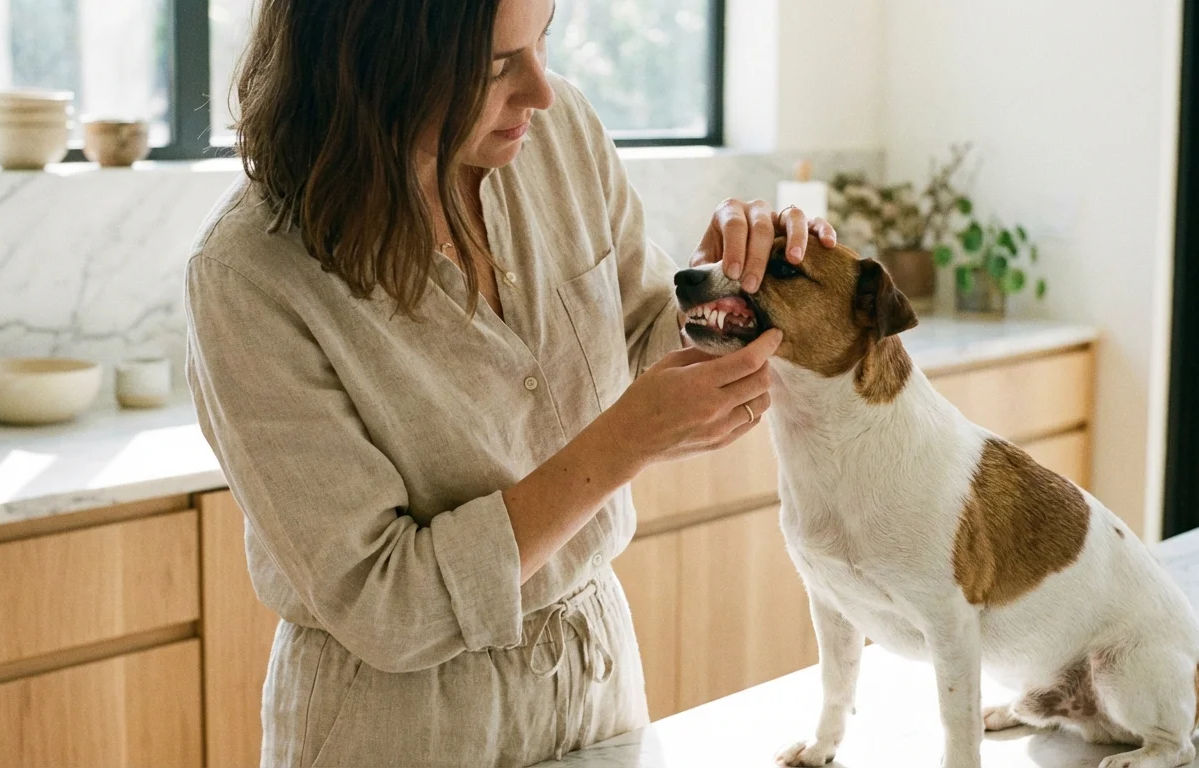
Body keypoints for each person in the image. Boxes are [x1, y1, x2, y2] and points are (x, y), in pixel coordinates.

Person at [184, 0, 835, 765]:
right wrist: (622, 444)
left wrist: (741, 290)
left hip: (596, 684)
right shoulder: (250, 275)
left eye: (543, 43)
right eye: (494, 66)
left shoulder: (560, 138)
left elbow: (642, 325)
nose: (541, 91)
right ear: (370, 69)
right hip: (401, 725)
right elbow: (386, 602)